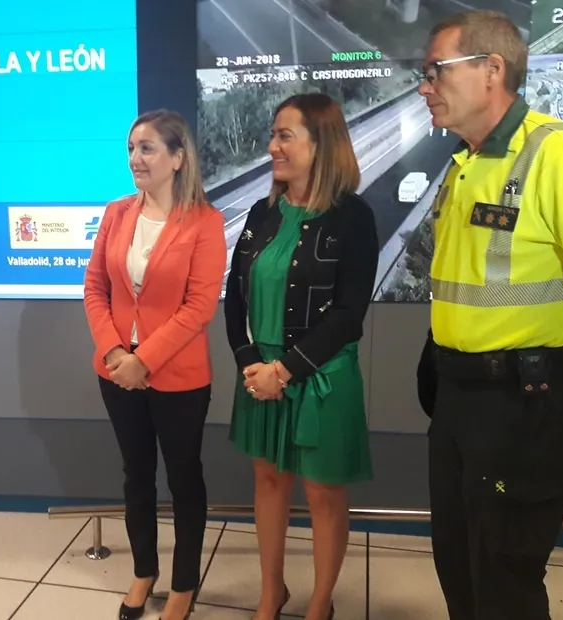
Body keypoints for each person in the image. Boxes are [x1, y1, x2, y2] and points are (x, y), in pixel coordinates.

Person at [417, 10, 563, 620]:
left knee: (504, 579)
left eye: (436, 71)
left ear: (492, 70)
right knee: (459, 566)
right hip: (457, 397)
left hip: (523, 400)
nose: (425, 87)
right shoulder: (465, 162)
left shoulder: (556, 153)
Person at [224, 93, 378, 620]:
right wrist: (252, 364)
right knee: (268, 484)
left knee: (322, 498)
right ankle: (272, 594)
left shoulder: (353, 218)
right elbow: (235, 298)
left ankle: (319, 605)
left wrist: (285, 371)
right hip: (260, 376)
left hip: (319, 376)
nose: (272, 146)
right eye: (273, 135)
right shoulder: (261, 214)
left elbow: (349, 314)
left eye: (285, 136)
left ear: (322, 144)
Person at [83, 109, 227, 620]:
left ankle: (184, 584)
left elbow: (199, 306)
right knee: (136, 476)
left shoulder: (205, 222)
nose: (135, 158)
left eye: (146, 148)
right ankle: (144, 571)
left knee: (184, 479)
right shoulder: (116, 213)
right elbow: (95, 288)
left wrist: (144, 359)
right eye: (131, 148)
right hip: (116, 373)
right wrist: (115, 353)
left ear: (177, 157)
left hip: (178, 378)